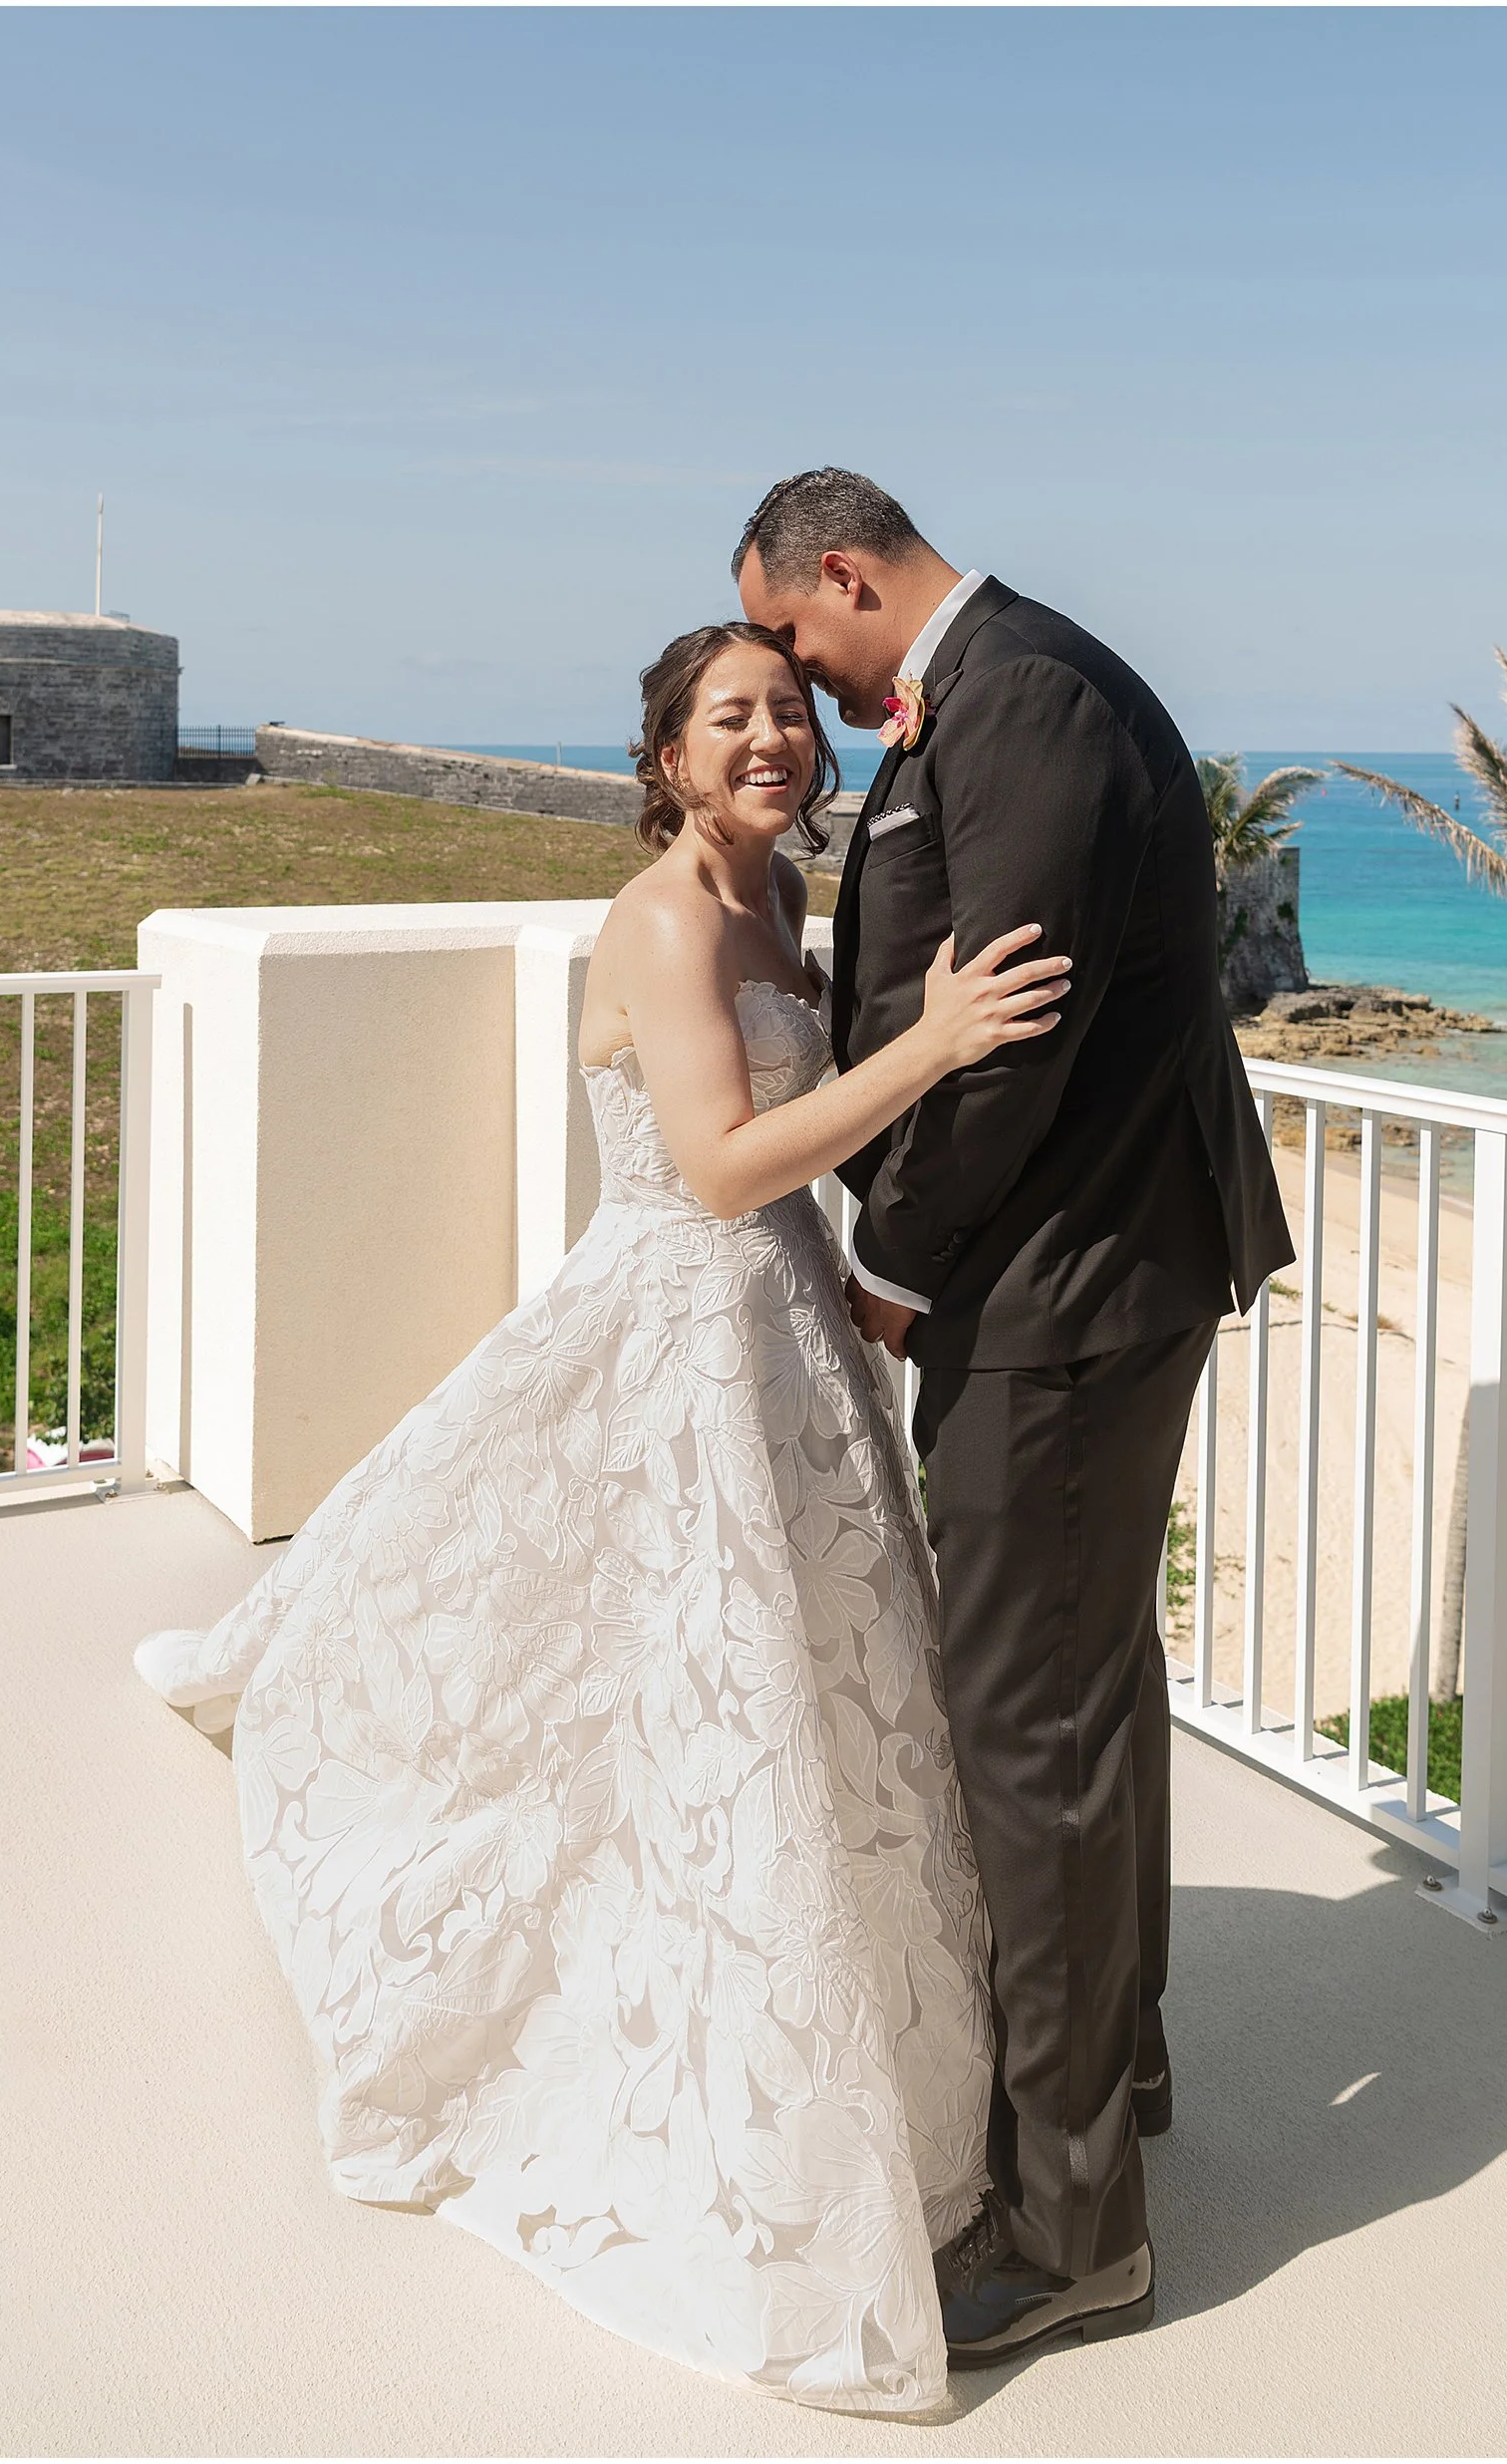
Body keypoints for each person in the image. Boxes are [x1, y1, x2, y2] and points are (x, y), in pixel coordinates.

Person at [134, 620, 1070, 2412]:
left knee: (797, 1698)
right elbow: (719, 1167)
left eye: (792, 714)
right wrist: (941, 1041)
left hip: (789, 1329)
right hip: (687, 1326)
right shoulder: (657, 921)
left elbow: (791, 1110)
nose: (772, 741)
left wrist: (925, 730)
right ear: (664, 757)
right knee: (676, 1687)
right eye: (733, 719)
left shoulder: (779, 902)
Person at [738, 469, 1294, 2368]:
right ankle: (1114, 2074)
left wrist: (895, 1253)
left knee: (1025, 1725)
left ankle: (1073, 2233)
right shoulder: (986, 700)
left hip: (1064, 1288)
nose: (807, 691)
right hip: (1079, 1276)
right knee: (1084, 1693)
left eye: (805, 647)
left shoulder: (1026, 696)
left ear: (846, 570)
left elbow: (1020, 1029)